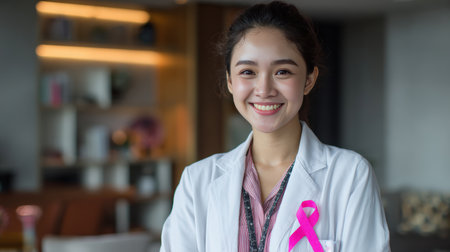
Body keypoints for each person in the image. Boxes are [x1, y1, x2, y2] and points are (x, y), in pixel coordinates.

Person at [160, 1, 390, 251]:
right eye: (248, 72)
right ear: (229, 80)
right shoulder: (197, 182)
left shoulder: (350, 176)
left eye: (282, 72)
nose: (264, 90)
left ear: (309, 80)